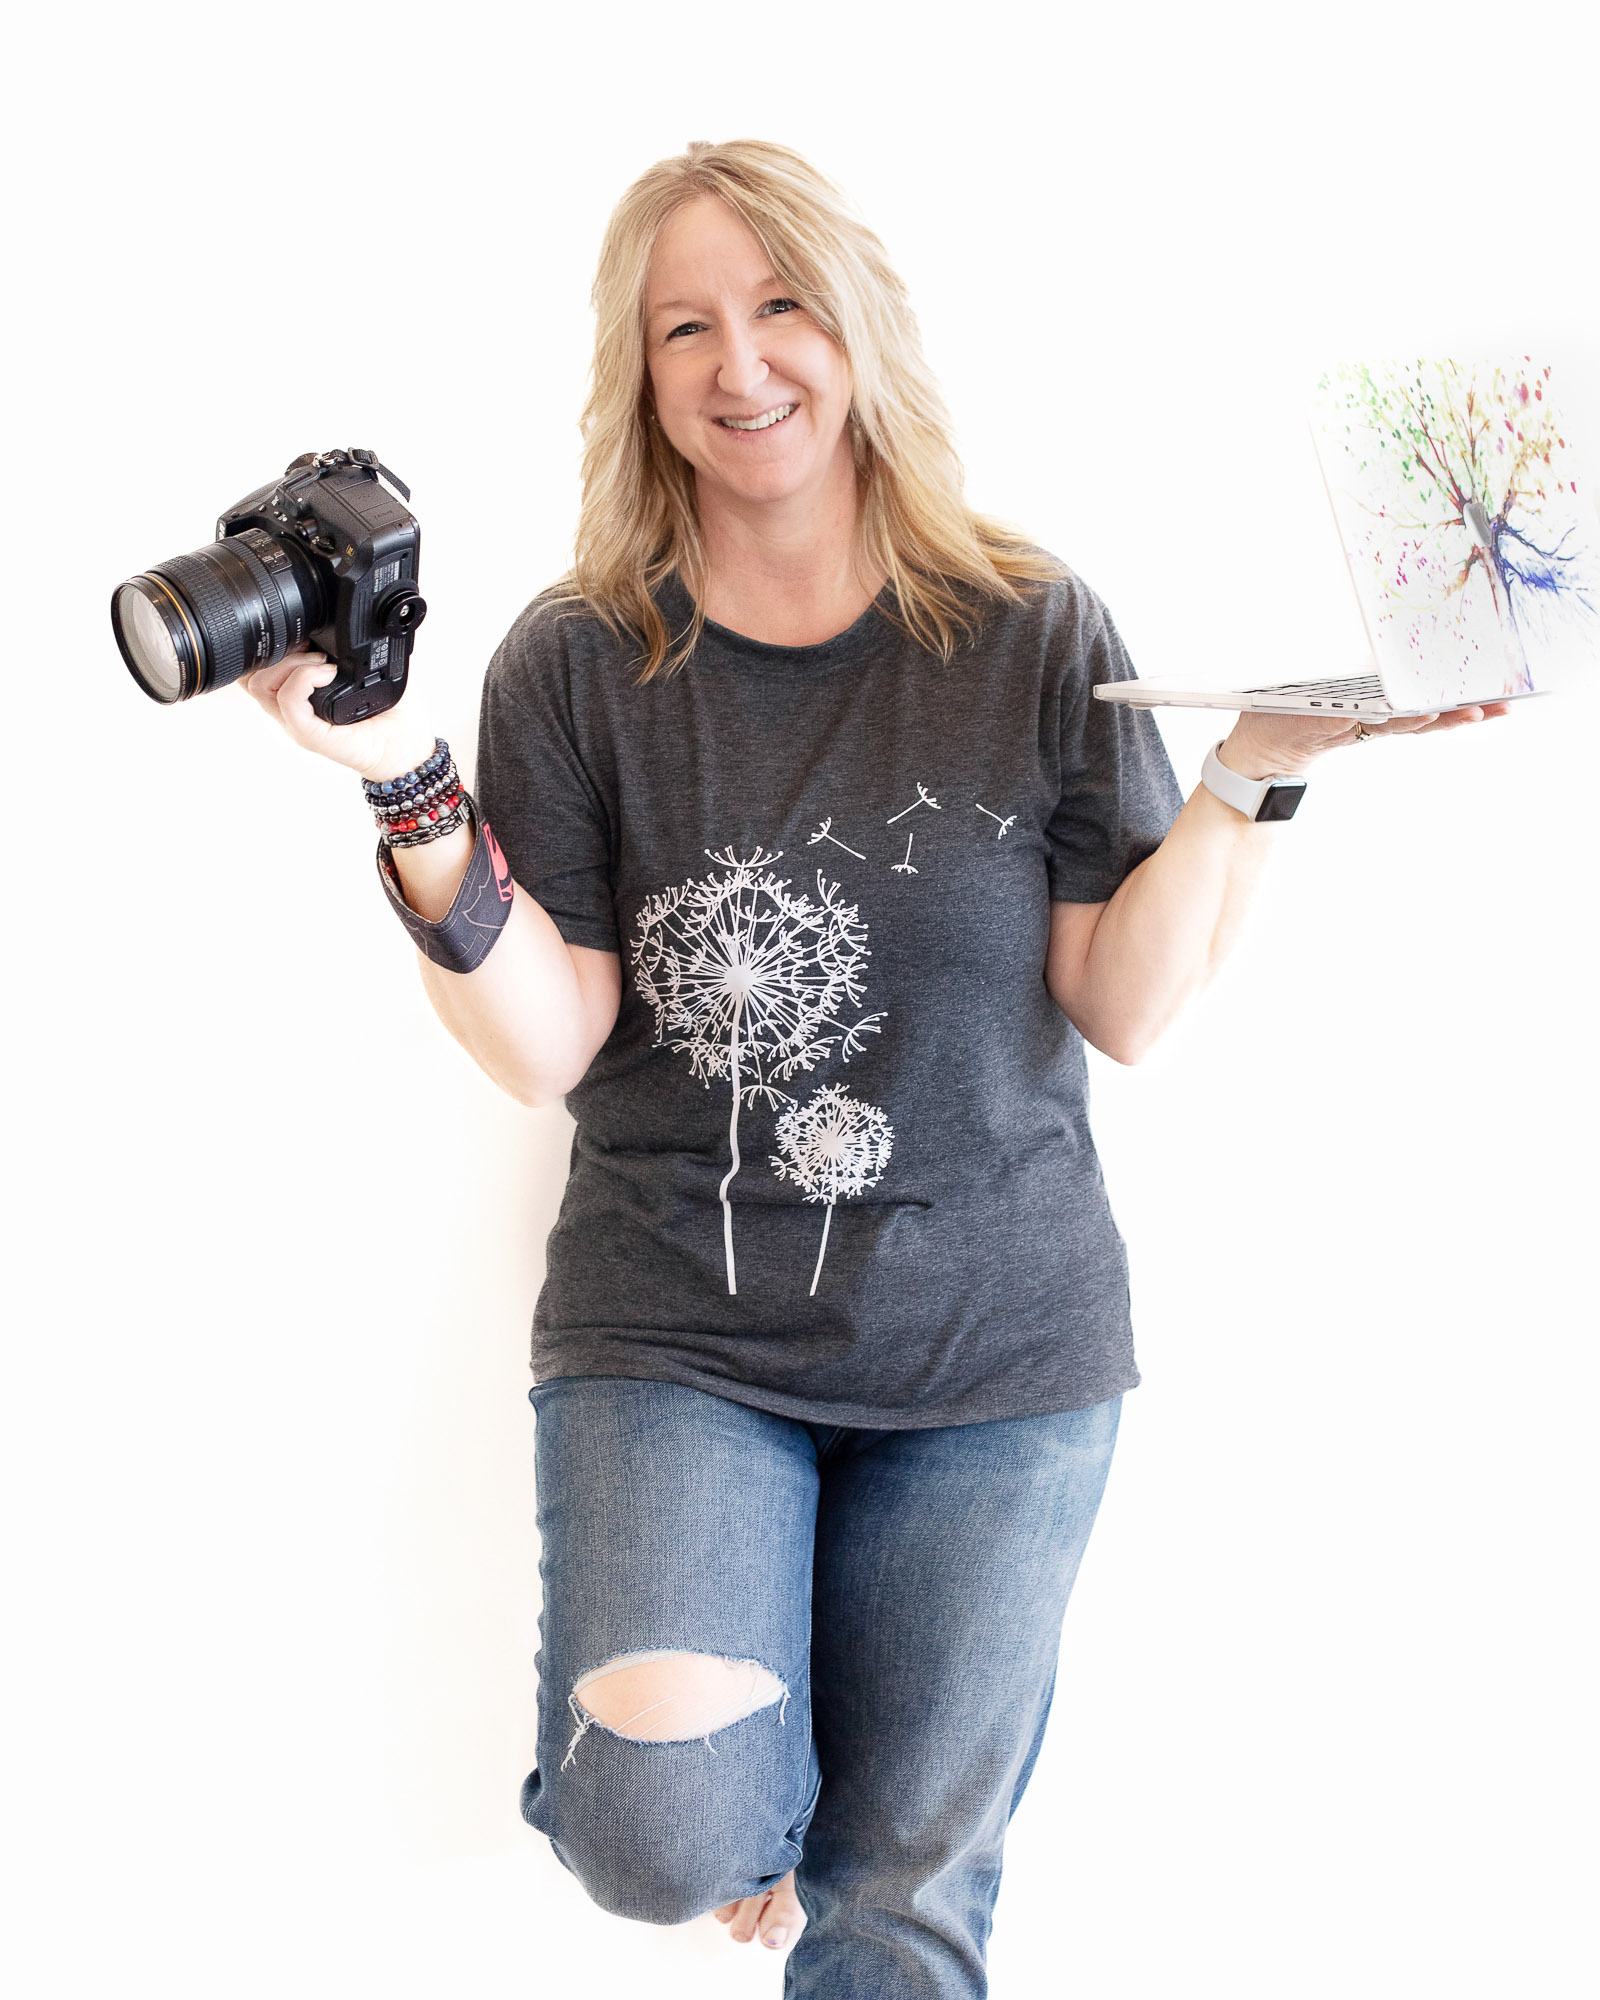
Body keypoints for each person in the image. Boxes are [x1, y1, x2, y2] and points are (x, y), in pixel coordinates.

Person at [242, 139, 1506, 1999]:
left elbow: (1128, 1006)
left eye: (779, 307)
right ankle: (752, 1795)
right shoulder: (583, 660)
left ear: (860, 332)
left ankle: (834, 1833)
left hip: (999, 1356)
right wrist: (404, 780)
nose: (739, 366)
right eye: (686, 327)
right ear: (638, 371)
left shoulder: (1027, 626)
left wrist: (1254, 770)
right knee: (663, 1839)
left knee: (904, 1899)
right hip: (679, 1335)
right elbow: (550, 1042)